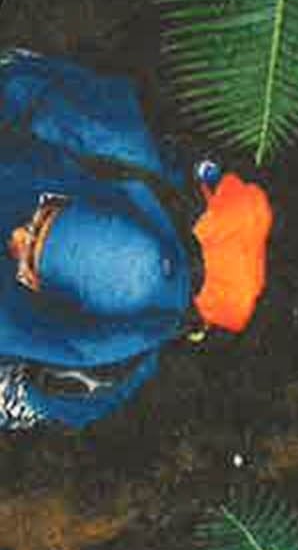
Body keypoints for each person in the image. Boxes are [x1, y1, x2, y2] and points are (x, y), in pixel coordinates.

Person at [0, 49, 272, 429]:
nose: (15, 236)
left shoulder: (99, 372)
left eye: (29, 260)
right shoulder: (105, 137)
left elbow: (15, 399)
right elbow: (19, 80)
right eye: (40, 223)